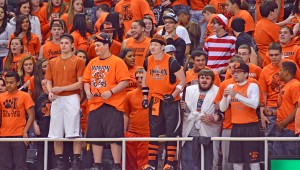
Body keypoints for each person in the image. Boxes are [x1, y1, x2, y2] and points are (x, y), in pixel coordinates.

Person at [82, 33, 130, 170]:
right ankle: (97, 164)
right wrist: (87, 92)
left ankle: (116, 164)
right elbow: (86, 81)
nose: (95, 48)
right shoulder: (92, 62)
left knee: (114, 135)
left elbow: (125, 81)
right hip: (95, 104)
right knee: (96, 135)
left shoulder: (117, 61)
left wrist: (111, 92)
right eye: (95, 45)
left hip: (113, 104)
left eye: (98, 45)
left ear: (106, 45)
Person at [142, 35, 186, 170]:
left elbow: (183, 81)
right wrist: (144, 97)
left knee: (171, 132)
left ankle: (170, 164)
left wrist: (173, 95)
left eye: (155, 45)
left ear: (162, 48)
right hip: (155, 99)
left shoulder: (172, 62)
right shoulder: (147, 61)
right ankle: (151, 164)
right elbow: (144, 80)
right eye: (151, 45)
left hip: (170, 101)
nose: (152, 47)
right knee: (154, 132)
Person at [45, 33, 85, 170]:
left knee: (74, 132)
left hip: (72, 97)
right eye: (61, 43)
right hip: (57, 99)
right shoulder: (52, 61)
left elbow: (80, 84)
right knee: (56, 133)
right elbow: (48, 81)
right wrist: (50, 92)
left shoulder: (78, 61)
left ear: (72, 45)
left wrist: (62, 88)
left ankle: (76, 162)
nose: (63, 45)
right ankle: (59, 163)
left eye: (66, 43)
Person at [220, 62, 261, 170]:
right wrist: (224, 97)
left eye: (239, 72)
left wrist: (236, 95)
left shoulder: (253, 86)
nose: (235, 74)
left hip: (251, 127)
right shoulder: (230, 86)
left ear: (246, 74)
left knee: (253, 160)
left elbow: (254, 104)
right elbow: (222, 108)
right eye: (234, 72)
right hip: (236, 127)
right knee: (237, 161)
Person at [182, 69, 222, 170]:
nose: (204, 80)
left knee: (208, 164)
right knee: (189, 162)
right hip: (191, 131)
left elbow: (223, 112)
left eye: (207, 78)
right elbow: (185, 111)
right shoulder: (189, 89)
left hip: (209, 132)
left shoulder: (218, 91)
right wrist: (184, 108)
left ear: (212, 80)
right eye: (202, 78)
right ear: (198, 79)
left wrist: (213, 118)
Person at [0, 71, 35, 169]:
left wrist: (25, 131)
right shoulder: (1, 97)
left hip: (19, 135)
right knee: (4, 166)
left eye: (11, 82)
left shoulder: (25, 96)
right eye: (7, 82)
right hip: (3, 135)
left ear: (18, 83)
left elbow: (32, 115)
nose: (9, 85)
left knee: (20, 166)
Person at [124, 68, 150, 170]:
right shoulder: (129, 95)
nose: (139, 80)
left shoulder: (153, 94)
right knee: (130, 163)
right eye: (137, 77)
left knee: (145, 163)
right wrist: (124, 132)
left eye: (142, 77)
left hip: (147, 133)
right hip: (132, 133)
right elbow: (126, 114)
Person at [273, 61, 300, 156]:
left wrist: (284, 123)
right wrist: (273, 113)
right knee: (279, 162)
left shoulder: (295, 85)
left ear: (286, 72)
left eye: (280, 70)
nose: (278, 73)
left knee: (290, 162)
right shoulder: (287, 85)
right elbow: (286, 107)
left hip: (290, 129)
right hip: (282, 128)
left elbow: (298, 108)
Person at [204, 14, 236, 78]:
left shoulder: (232, 40)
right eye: (212, 23)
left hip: (222, 76)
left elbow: (235, 60)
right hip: (209, 76)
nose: (212, 25)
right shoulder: (209, 39)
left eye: (214, 23)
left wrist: (221, 70)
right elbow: (204, 57)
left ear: (221, 25)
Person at [0, 6, 14, 72]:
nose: (0, 14)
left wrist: (1, 42)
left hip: (5, 55)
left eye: (2, 12)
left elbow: (11, 41)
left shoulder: (9, 27)